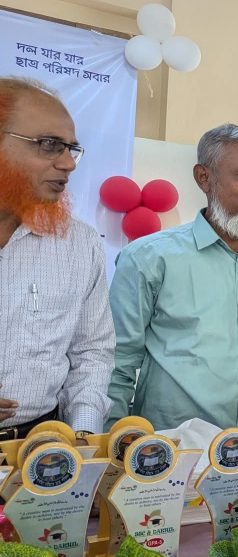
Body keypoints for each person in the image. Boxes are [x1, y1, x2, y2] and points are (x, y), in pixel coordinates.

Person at [108, 124, 238, 430]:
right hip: (173, 455)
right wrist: (111, 444)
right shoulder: (149, 259)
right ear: (204, 178)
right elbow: (118, 360)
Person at [0, 77, 114, 438]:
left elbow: (92, 352)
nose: (68, 164)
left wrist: (82, 434)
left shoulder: (79, 242)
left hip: (41, 450)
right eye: (49, 145)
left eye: (70, 148)